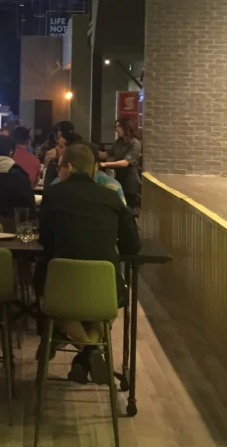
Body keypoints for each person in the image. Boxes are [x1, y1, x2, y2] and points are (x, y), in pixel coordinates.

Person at [37, 143, 141, 384]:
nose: (58, 172)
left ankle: (84, 349)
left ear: (69, 168)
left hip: (61, 288)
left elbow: (44, 239)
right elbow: (133, 246)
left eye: (59, 167)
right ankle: (93, 351)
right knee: (109, 308)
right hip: (103, 290)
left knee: (55, 303)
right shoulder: (110, 196)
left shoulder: (53, 195)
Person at [99, 118, 142, 208]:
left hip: (130, 183)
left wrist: (105, 164)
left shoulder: (135, 144)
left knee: (127, 209)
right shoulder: (119, 142)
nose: (116, 129)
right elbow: (105, 155)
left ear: (125, 127)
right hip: (119, 179)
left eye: (118, 126)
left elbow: (125, 163)